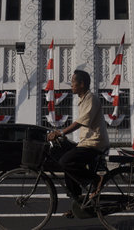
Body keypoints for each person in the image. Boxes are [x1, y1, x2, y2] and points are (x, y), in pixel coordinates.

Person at [47, 69, 109, 217]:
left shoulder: (91, 99)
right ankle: (79, 204)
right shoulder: (83, 99)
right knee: (69, 169)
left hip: (95, 143)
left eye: (73, 83)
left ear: (82, 84)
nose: (71, 86)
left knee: (65, 162)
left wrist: (61, 132)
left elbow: (81, 122)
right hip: (85, 142)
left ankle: (96, 179)